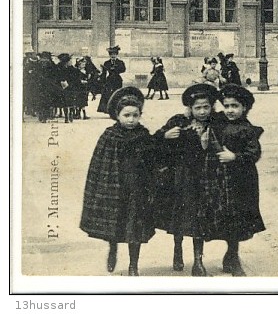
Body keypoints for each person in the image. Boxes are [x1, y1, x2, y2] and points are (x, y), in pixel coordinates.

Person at [79, 87, 155, 276]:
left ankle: (133, 265)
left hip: (137, 187)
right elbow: (99, 166)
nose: (131, 120)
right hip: (116, 187)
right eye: (126, 115)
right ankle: (113, 249)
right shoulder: (109, 136)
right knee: (115, 222)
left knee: (135, 228)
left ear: (140, 115)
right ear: (117, 115)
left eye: (135, 115)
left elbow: (153, 161)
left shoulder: (144, 135)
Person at [152, 83, 221, 276]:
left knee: (199, 218)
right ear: (189, 109)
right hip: (180, 178)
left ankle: (198, 260)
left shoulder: (216, 123)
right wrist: (164, 135)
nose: (202, 111)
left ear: (212, 107)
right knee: (180, 216)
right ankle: (177, 249)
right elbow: (155, 141)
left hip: (205, 178)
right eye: (197, 108)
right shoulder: (178, 122)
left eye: (206, 107)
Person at [212, 84, 266, 276]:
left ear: (244, 108)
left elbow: (254, 153)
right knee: (225, 217)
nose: (230, 110)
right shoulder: (219, 123)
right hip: (221, 180)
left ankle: (233, 257)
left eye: (235, 106)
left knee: (237, 219)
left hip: (242, 181)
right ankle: (228, 255)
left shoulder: (247, 129)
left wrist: (235, 157)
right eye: (226, 106)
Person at [97, 46, 126, 115]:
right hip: (109, 80)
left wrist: (115, 69)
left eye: (114, 54)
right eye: (111, 54)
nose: (113, 56)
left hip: (117, 80)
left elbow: (123, 69)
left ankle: (117, 110)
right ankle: (108, 109)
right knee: (108, 95)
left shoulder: (120, 62)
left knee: (117, 95)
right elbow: (104, 73)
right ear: (109, 55)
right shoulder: (106, 63)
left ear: (116, 55)